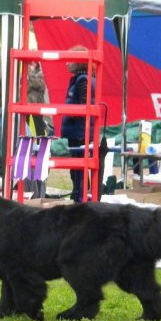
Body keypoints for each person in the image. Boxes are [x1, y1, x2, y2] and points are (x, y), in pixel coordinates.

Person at [61, 45, 95, 203]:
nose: (66, 63)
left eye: (70, 60)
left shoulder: (83, 81)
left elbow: (84, 108)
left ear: (80, 62)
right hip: (77, 132)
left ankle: (80, 200)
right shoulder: (81, 79)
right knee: (75, 170)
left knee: (79, 171)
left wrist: (68, 112)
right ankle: (78, 198)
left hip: (80, 133)